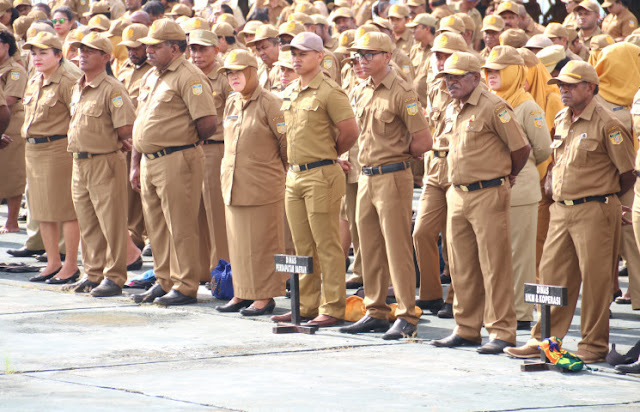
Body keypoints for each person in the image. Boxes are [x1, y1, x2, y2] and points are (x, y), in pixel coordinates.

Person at [505, 61, 635, 364]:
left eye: (570, 85)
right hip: (561, 209)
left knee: (595, 279)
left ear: (590, 87)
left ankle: (593, 345)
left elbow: (627, 172)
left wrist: (611, 200)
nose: (563, 90)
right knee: (551, 276)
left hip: (595, 208)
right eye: (560, 85)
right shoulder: (563, 117)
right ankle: (544, 339)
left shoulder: (608, 122)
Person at [431, 51, 530, 354]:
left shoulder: (494, 107)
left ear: (476, 77)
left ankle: (501, 331)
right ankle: (467, 328)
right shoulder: (452, 108)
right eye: (447, 77)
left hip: (488, 193)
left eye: (457, 77)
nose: (451, 82)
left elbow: (521, 148)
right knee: (461, 266)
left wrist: (506, 175)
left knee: (494, 265)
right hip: (457, 193)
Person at [338, 32, 431, 340]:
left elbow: (423, 139)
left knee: (397, 247)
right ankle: (375, 309)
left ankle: (406, 313)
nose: (360, 61)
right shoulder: (363, 89)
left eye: (368, 55)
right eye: (358, 56)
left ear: (387, 57)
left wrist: (398, 155)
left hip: (392, 174)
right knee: (370, 246)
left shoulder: (402, 92)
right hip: (366, 175)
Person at [270, 32, 358, 327]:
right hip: (294, 174)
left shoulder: (330, 92)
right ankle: (306, 305)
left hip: (321, 173)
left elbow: (350, 131)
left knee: (327, 244)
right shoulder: (291, 90)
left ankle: (332, 307)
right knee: (302, 245)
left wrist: (330, 153)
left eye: (302, 54)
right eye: (293, 54)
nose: (295, 59)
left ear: (320, 57)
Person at [130, 18, 217, 306]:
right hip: (150, 161)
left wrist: (185, 145)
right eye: (148, 46)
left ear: (175, 48)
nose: (149, 51)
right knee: (156, 227)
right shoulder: (152, 76)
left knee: (180, 225)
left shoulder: (189, 76)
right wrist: (135, 163)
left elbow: (207, 123)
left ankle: (185, 284)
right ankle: (164, 279)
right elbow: (141, 123)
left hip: (177, 158)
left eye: (156, 46)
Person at [482, 46, 552, 331]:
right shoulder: (489, 102)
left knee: (520, 254)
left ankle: (522, 313)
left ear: (515, 71)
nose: (491, 75)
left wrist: (517, 168)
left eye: (499, 70)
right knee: (496, 253)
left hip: (520, 191)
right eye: (489, 70)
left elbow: (543, 148)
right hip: (493, 190)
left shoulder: (527, 106)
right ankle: (501, 308)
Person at [61, 32, 136, 297]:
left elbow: (126, 127)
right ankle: (92, 273)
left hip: (104, 160)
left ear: (106, 57)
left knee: (111, 222)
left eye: (90, 51)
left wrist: (108, 142)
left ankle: (114, 277)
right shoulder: (78, 86)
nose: (82, 54)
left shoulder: (112, 88)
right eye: (81, 50)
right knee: (88, 222)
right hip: (80, 162)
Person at [215, 50, 288, 316]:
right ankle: (242, 292)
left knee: (262, 244)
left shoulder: (271, 103)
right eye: (229, 73)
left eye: (238, 72)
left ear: (252, 72)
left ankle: (264, 296)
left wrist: (279, 174)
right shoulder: (232, 102)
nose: (233, 78)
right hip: (234, 184)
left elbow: (286, 145)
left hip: (263, 186)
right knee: (238, 244)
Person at [412, 32, 469, 320]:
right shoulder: (435, 85)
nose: (439, 61)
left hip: (460, 167)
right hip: (435, 166)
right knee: (421, 231)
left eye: (445, 55)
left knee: (454, 238)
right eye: (436, 55)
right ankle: (431, 293)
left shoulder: (472, 86)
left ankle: (455, 297)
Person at [21, 31, 81, 284]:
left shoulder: (69, 80)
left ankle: (70, 265)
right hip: (33, 150)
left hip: (58, 149)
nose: (37, 58)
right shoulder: (35, 79)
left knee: (65, 210)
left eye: (43, 53)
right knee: (41, 210)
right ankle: (52, 262)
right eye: (34, 53)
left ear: (59, 55)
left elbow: (78, 117)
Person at [188, 28, 231, 278]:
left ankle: (221, 271)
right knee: (195, 213)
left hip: (216, 149)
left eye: (203, 49)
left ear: (216, 50)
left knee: (216, 214)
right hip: (190, 150)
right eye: (193, 49)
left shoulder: (224, 78)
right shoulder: (187, 76)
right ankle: (203, 270)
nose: (197, 54)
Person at [117, 23, 152, 254]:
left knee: (146, 191)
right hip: (125, 139)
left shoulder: (153, 71)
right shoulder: (123, 69)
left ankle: (150, 236)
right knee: (129, 191)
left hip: (145, 137)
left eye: (137, 47)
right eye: (128, 48)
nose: (132, 52)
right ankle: (134, 234)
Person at [0, 31, 26, 234]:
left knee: (12, 174)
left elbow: (9, 99)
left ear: (6, 45)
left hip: (12, 126)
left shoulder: (15, 70)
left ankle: (12, 222)